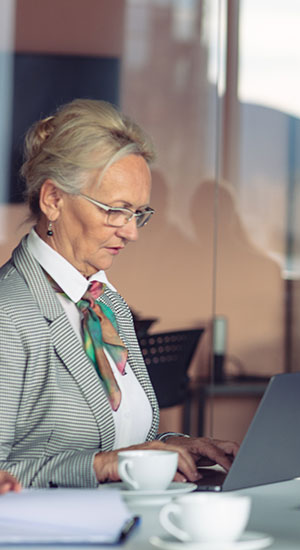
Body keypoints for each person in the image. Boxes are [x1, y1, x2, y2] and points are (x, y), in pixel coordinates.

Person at [0, 99, 238, 488]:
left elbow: (118, 443)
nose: (132, 232)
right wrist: (102, 465)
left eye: (138, 213)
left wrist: (174, 446)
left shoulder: (106, 303)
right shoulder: (8, 314)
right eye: (116, 210)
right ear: (53, 200)